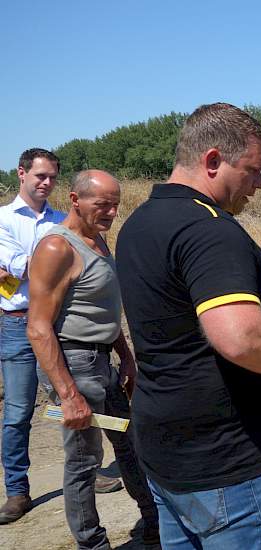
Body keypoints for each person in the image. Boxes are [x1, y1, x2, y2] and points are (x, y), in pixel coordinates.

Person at [116, 103, 261, 549]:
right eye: (252, 170)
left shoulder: (139, 222)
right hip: (222, 462)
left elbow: (182, 318)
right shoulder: (210, 230)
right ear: (212, 161)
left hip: (164, 449)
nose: (260, 184)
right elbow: (240, 339)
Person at [26, 170, 160, 549]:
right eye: (103, 204)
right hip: (75, 365)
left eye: (116, 204)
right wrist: (68, 396)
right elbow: (38, 327)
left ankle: (154, 524)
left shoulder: (97, 239)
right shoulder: (57, 248)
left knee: (131, 444)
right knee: (84, 461)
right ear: (75, 200)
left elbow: (100, 309)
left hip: (104, 362)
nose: (112, 211)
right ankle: (92, 543)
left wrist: (126, 358)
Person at [0, 148, 65, 524]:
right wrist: (58, 263)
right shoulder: (4, 219)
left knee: (67, 399)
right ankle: (17, 490)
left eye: (53, 177)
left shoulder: (60, 220)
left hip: (58, 323)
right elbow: (20, 267)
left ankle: (84, 471)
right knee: (18, 412)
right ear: (21, 173)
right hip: (18, 324)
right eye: (40, 176)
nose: (46, 183)